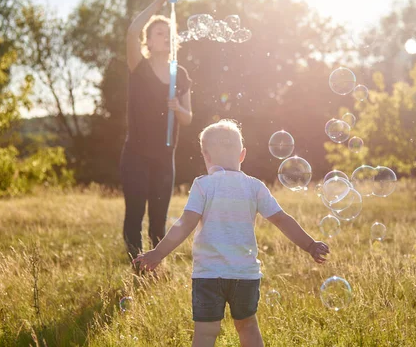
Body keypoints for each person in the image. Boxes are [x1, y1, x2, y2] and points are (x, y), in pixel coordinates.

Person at [133, 119, 330, 347]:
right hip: (244, 274)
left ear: (206, 156)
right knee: (248, 327)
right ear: (242, 154)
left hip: (208, 274)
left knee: (206, 333)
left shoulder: (203, 185)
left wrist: (158, 253)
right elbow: (282, 219)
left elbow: (186, 223)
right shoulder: (254, 186)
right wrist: (310, 244)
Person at [121, 0, 193, 262]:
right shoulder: (139, 66)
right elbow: (131, 32)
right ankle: (136, 266)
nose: (166, 37)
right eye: (159, 33)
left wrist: (178, 108)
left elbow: (188, 118)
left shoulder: (180, 74)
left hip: (165, 156)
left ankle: (154, 267)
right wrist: (159, 2)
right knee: (135, 213)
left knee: (159, 220)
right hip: (136, 155)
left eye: (169, 33)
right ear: (148, 42)